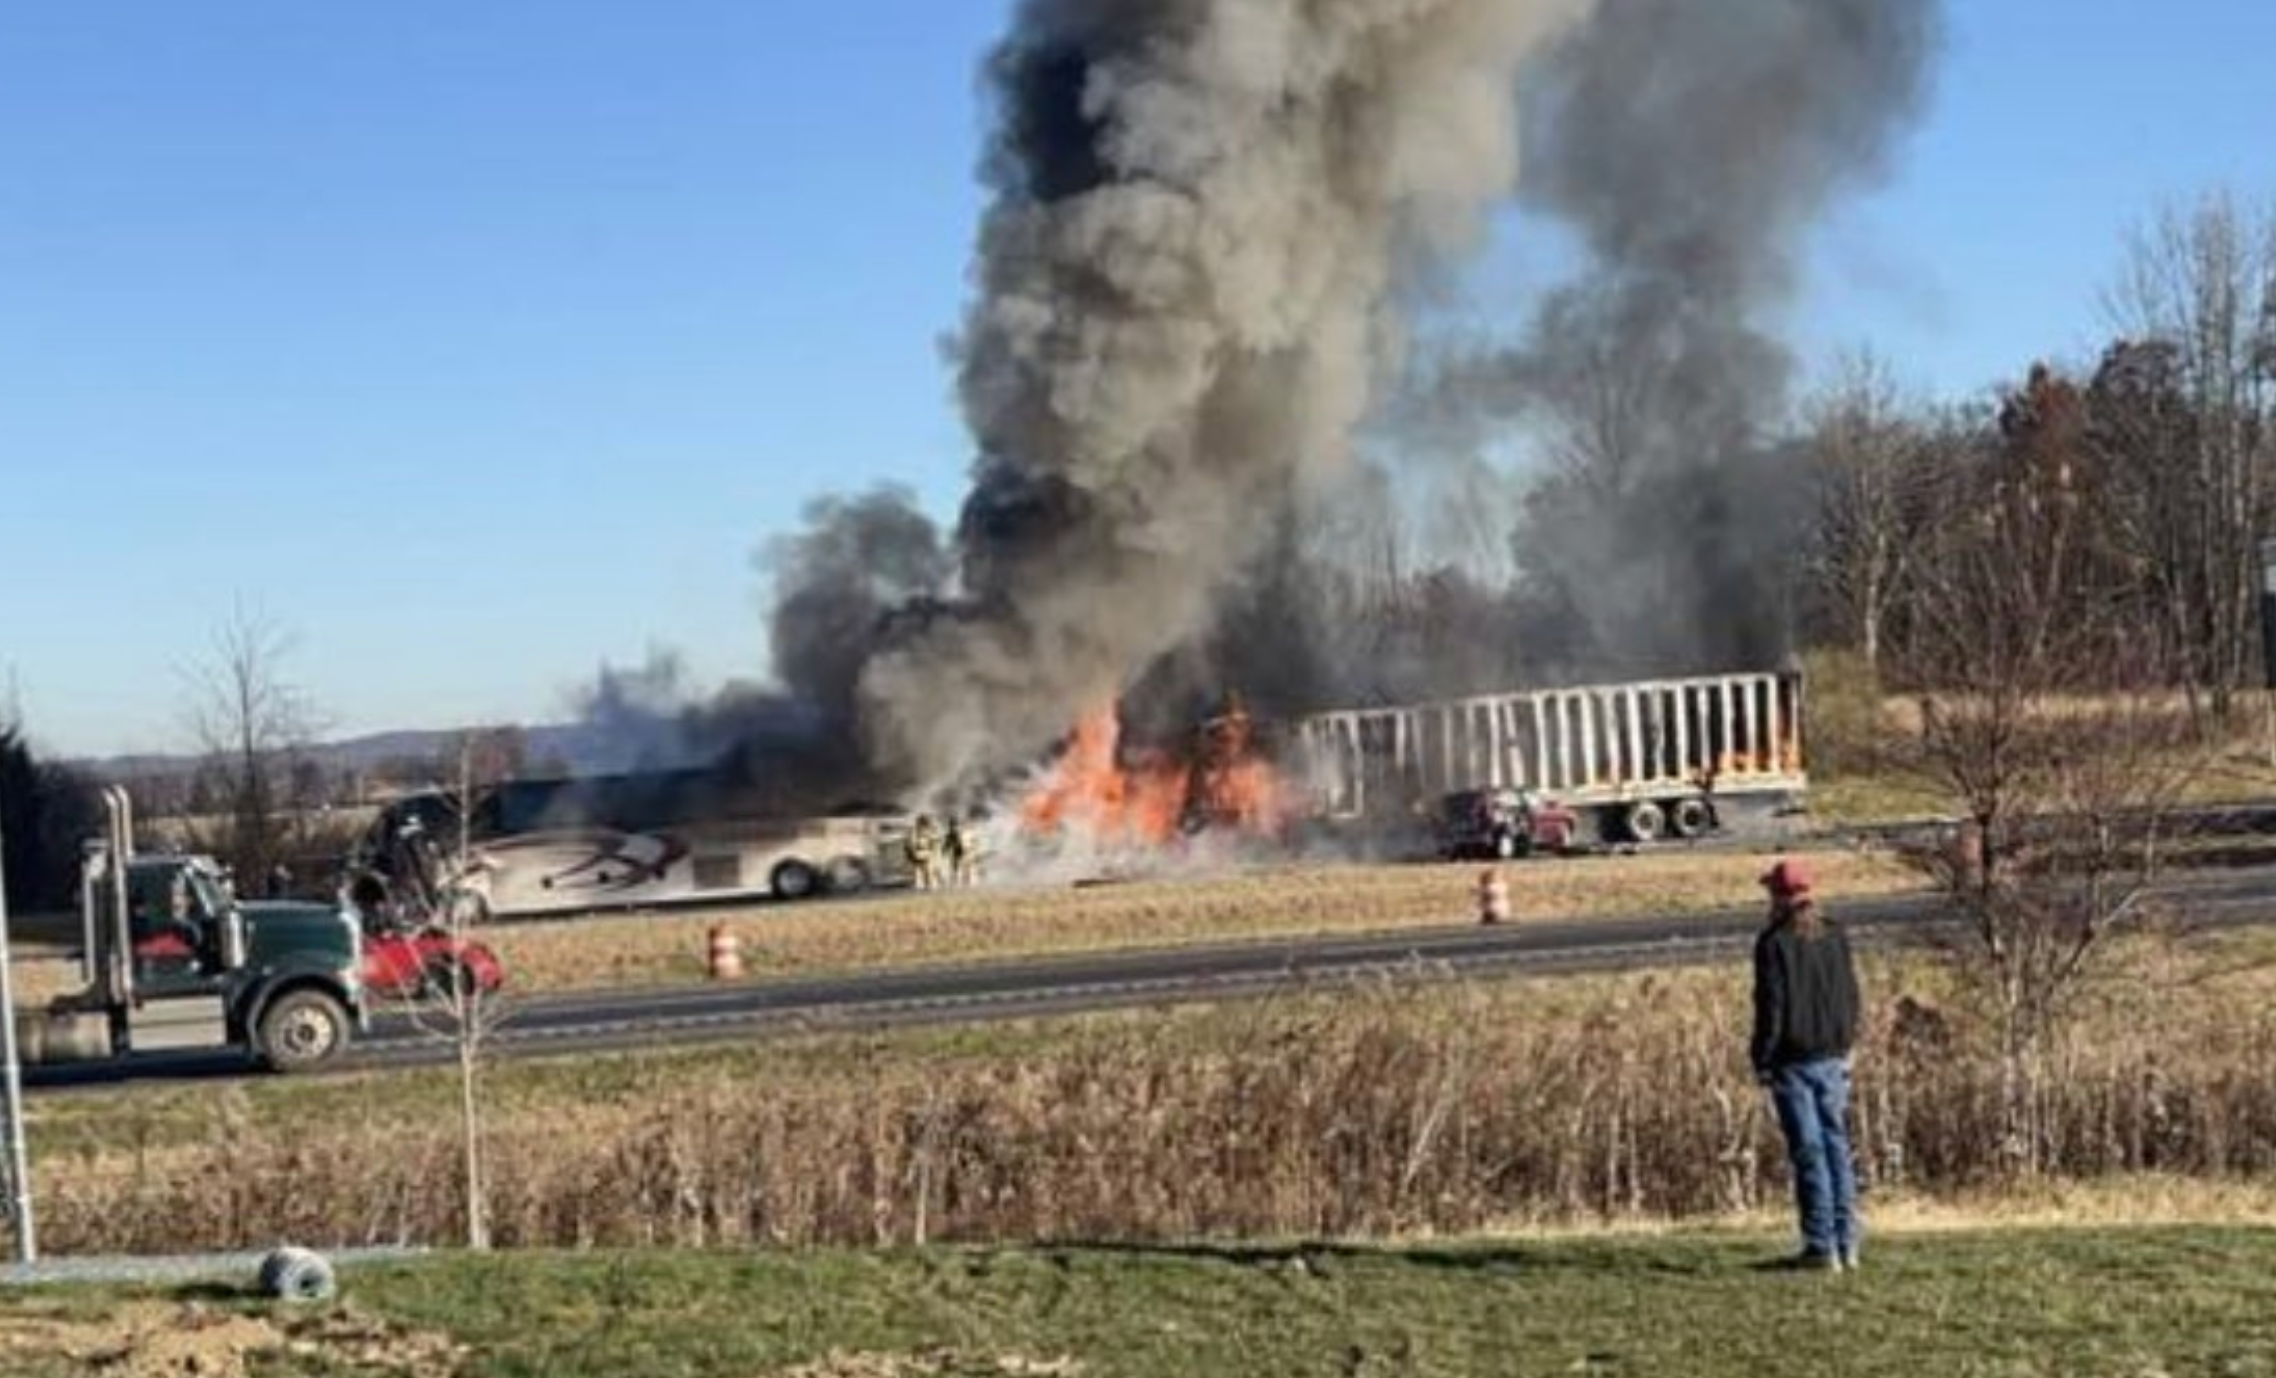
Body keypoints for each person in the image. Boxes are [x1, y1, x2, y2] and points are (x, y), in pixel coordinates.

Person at [1750, 857, 1863, 1272]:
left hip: (1793, 1060)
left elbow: (1771, 1008)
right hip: (1833, 1055)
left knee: (1810, 1152)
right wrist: (1848, 1042)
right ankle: (1847, 1241)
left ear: (1779, 896)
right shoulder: (1836, 935)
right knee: (1836, 1148)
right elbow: (1851, 995)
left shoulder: (1773, 943)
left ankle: (1820, 1244)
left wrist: (1762, 1058)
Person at [906, 815, 941, 891]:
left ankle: (929, 884)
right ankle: (925, 885)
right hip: (920, 853)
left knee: (927, 871)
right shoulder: (914, 832)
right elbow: (911, 844)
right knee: (921, 872)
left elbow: (935, 842)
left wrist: (933, 851)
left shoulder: (929, 831)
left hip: (925, 853)